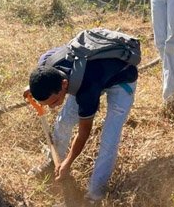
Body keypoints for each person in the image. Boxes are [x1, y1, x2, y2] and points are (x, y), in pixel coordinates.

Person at [26, 45, 138, 203]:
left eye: (54, 101)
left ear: (64, 85)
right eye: (47, 104)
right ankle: (53, 163)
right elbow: (40, 82)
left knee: (109, 139)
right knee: (63, 121)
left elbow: (84, 133)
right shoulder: (46, 63)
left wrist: (68, 162)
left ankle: (94, 195)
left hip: (121, 78)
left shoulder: (86, 90)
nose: (51, 107)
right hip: (91, 73)